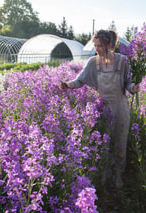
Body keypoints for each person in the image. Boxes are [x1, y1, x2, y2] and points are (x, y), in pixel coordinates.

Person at [60, 29, 139, 189]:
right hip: (102, 108)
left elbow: (128, 83)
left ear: (110, 45)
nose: (97, 49)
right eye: (95, 45)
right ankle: (104, 174)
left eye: (100, 46)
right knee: (103, 142)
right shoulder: (93, 63)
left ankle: (118, 175)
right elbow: (80, 80)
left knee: (120, 142)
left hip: (120, 107)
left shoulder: (123, 61)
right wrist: (69, 85)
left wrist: (133, 88)